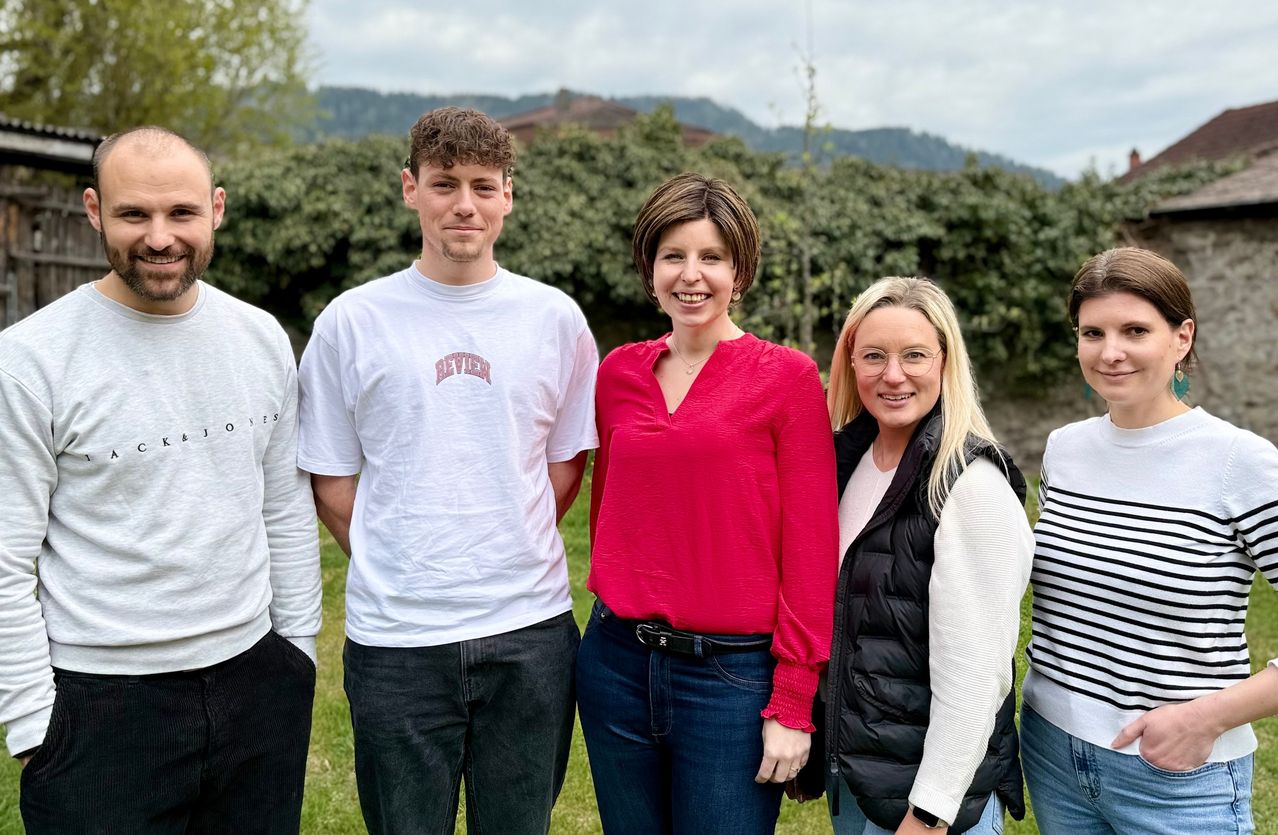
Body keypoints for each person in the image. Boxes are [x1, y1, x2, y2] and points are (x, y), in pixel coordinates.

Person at [0, 126, 322, 834]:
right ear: (93, 210)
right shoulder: (29, 361)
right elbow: (4, 558)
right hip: (99, 701)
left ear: (216, 209)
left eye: (180, 213)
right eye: (132, 214)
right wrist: (31, 722)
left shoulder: (261, 337)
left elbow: (285, 507)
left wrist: (295, 655)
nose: (159, 237)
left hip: (255, 681)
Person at [296, 107, 598, 835]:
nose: (465, 203)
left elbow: (564, 466)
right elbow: (332, 481)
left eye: (483, 186)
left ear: (508, 195)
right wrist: (399, 555)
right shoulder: (351, 321)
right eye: (444, 183)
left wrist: (500, 538)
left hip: (529, 630)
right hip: (396, 639)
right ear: (410, 188)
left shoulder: (555, 320)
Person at [577, 172, 838, 834]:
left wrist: (793, 698)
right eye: (674, 256)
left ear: (739, 269)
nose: (691, 275)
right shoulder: (619, 374)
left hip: (731, 680)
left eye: (712, 257)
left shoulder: (787, 378)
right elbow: (611, 511)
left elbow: (811, 548)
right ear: (649, 267)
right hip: (616, 664)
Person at [1020, 247, 1278, 835]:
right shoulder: (1064, 449)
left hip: (1176, 774)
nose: (1110, 352)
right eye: (1093, 332)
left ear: (1181, 337)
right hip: (1051, 750)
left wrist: (1204, 719)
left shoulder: (1240, 462)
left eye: (1135, 330)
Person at [824, 276, 1033, 834]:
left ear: (946, 361)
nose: (893, 375)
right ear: (850, 363)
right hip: (864, 782)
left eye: (914, 355)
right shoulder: (847, 463)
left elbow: (977, 674)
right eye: (874, 356)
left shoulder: (969, 483)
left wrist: (930, 812)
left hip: (930, 802)